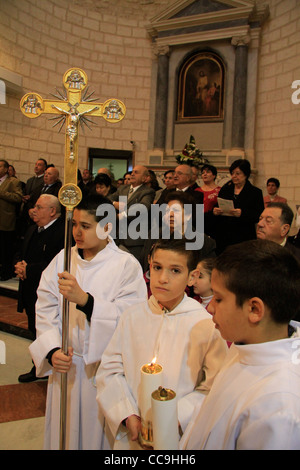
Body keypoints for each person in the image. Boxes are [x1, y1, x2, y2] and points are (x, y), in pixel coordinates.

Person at [29, 194, 147, 450]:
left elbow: (132, 318)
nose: (76, 232)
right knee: (64, 435)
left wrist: (86, 301)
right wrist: (51, 350)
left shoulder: (126, 266)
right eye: (74, 225)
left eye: (85, 226)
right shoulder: (63, 258)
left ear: (107, 227)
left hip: (102, 372)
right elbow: (45, 305)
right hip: (66, 366)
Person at [96, 237, 227, 450]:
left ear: (192, 277)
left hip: (180, 434)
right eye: (157, 267)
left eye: (175, 271)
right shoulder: (132, 317)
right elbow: (110, 369)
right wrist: (126, 412)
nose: (163, 278)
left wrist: (173, 416)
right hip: (133, 432)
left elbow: (213, 387)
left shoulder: (206, 325)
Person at [181, 239, 300, 450]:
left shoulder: (279, 408)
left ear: (254, 310)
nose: (210, 309)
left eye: (218, 298)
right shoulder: (245, 344)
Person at [15, 195, 65, 382]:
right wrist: (19, 265)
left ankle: (43, 365)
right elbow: (20, 252)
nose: (33, 210)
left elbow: (56, 264)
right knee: (33, 325)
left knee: (46, 327)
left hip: (47, 290)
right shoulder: (32, 229)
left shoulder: (62, 233)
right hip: (28, 286)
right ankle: (39, 362)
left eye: (38, 207)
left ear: (52, 211)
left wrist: (29, 269)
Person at [141, 190, 216, 273]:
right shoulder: (154, 235)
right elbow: (144, 264)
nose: (170, 214)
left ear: (188, 215)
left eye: (176, 211)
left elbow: (206, 275)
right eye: (167, 211)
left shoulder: (204, 242)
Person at [213, 159, 264, 254]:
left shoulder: (255, 192)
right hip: (224, 234)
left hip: (244, 234)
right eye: (232, 173)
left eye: (238, 173)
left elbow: (259, 214)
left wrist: (242, 213)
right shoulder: (226, 189)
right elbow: (218, 204)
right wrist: (215, 211)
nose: (234, 176)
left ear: (245, 174)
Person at [109, 165, 155, 263]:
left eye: (136, 172)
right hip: (117, 237)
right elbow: (108, 198)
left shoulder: (147, 191)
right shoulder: (122, 189)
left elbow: (143, 207)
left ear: (145, 178)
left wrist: (122, 215)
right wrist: (114, 203)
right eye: (132, 172)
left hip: (134, 240)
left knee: (132, 267)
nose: (132, 174)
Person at [0, 159, 23, 280]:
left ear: (5, 169)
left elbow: (18, 197)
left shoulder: (13, 182)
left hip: (5, 222)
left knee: (5, 249)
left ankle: (5, 273)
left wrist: (2, 193)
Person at [195, 164, 220, 238]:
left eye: (208, 172)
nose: (205, 174)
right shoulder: (197, 190)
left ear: (214, 175)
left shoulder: (219, 190)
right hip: (198, 222)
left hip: (213, 222)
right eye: (203, 173)